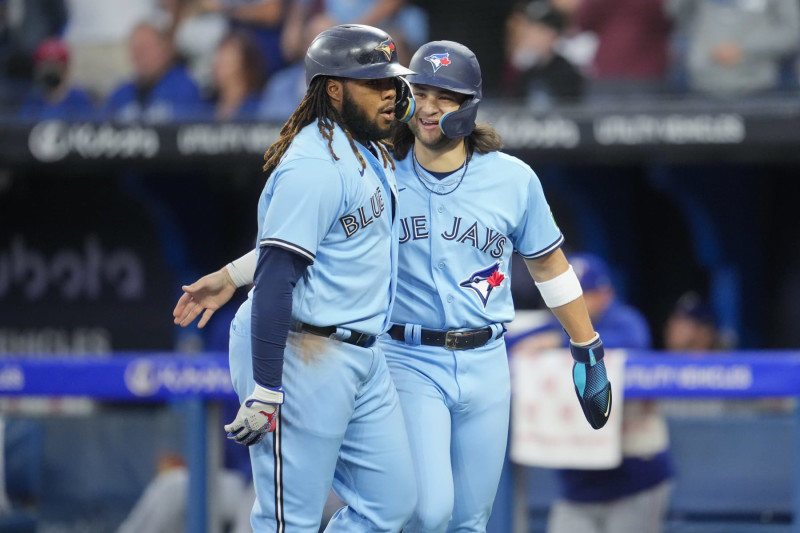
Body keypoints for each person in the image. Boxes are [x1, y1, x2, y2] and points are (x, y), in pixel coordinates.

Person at [174, 40, 612, 533]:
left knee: (469, 521)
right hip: (406, 354)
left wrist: (586, 345)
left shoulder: (512, 179)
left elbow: (550, 265)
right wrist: (234, 276)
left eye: (445, 96)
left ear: (469, 105)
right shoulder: (378, 165)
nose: (427, 107)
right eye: (419, 91)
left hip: (486, 358)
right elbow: (308, 240)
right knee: (427, 512)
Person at [188, 24, 418, 533]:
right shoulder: (313, 166)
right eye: (375, 83)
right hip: (298, 353)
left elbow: (320, 247)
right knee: (287, 521)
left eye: (392, 83)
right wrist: (266, 388)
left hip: (361, 354)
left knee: (392, 506)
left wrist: (232, 272)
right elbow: (275, 282)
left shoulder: (369, 146)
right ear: (333, 90)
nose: (391, 94)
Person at [511, 253, 673, 533]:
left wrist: (559, 342)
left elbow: (633, 341)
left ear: (606, 293)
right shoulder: (555, 324)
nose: (579, 301)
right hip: (577, 487)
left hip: (633, 479)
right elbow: (511, 344)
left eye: (587, 293)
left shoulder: (625, 321)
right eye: (574, 293)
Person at [665, 0, 800, 98]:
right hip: (701, 85)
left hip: (759, 86)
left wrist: (745, 50)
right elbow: (673, 12)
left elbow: (792, 33)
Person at [103, 20, 202, 123]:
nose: (140, 55)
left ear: (165, 49)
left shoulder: (185, 88)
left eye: (146, 48)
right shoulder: (121, 93)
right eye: (135, 49)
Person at [502, 0, 585, 109]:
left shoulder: (567, 73)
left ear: (551, 35)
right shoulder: (526, 72)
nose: (529, 35)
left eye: (537, 30)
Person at [17, 36, 95, 122]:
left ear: (65, 67)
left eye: (54, 63)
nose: (50, 69)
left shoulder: (79, 99)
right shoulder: (33, 101)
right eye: (46, 64)